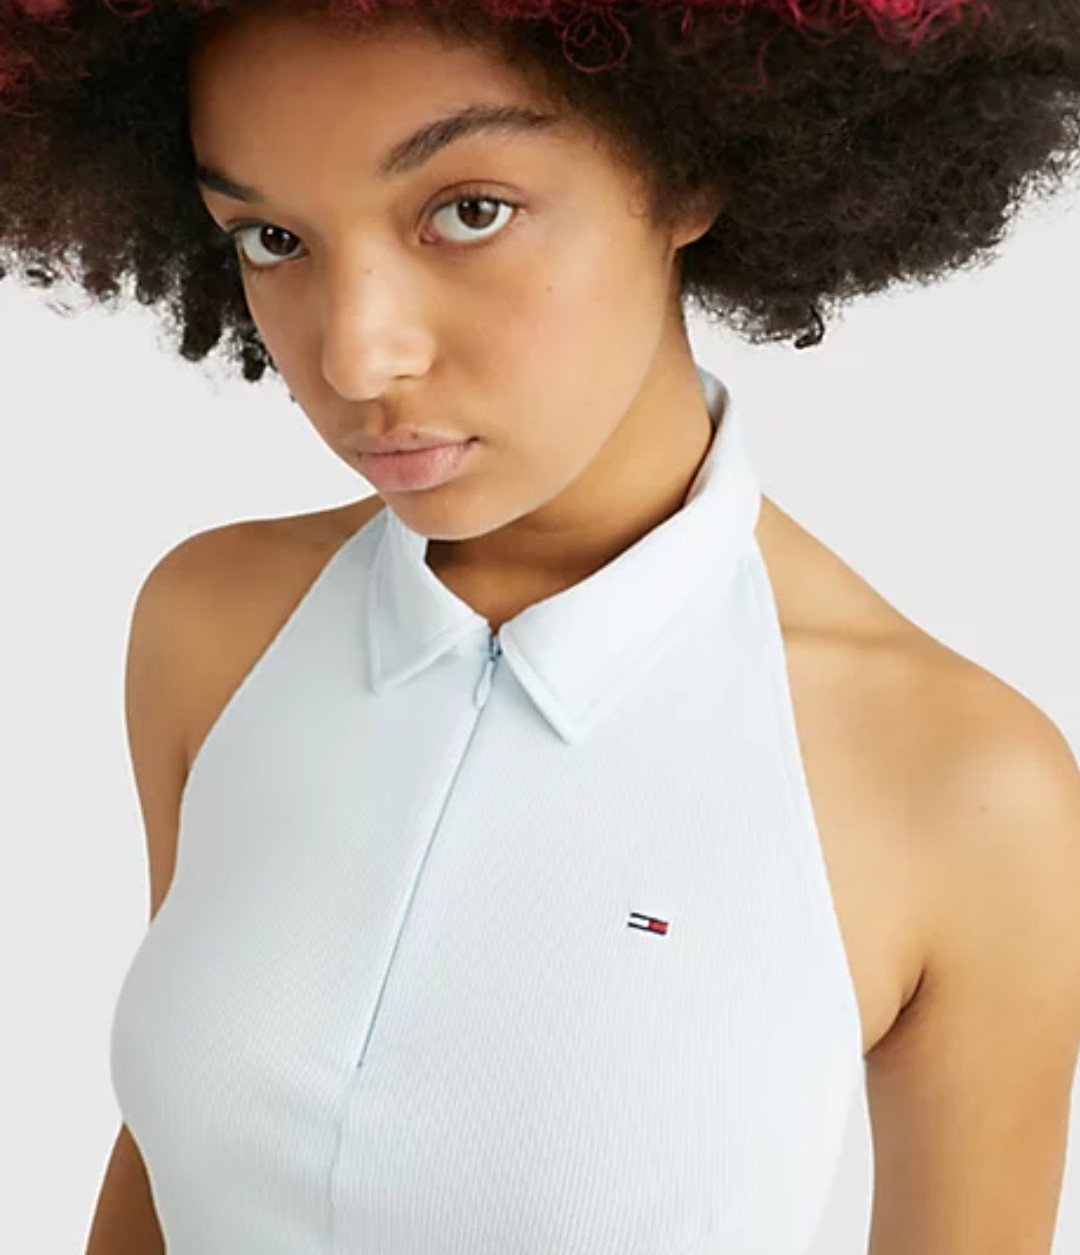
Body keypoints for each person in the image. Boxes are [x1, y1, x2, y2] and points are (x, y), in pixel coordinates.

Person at [2, 2, 1077, 1252]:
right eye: (273, 237)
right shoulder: (216, 625)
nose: (356, 357)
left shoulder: (959, 785)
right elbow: (172, 1156)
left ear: (687, 168)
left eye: (470, 210)